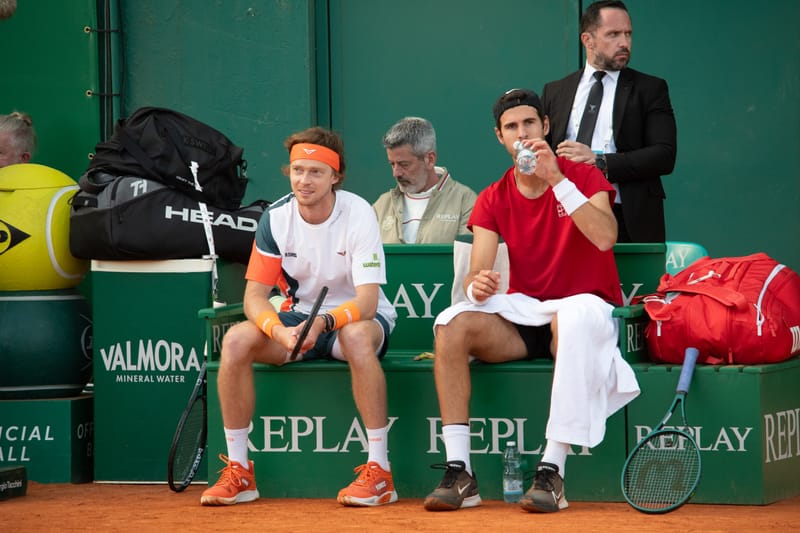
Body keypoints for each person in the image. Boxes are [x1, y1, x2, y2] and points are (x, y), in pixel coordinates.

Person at [422, 88, 640, 513]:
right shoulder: (492, 197)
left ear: (544, 127)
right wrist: (477, 285)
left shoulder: (583, 177)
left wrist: (557, 178)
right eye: (511, 127)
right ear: (499, 137)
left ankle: (551, 473)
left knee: (574, 319)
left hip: (585, 305)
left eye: (528, 124)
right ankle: (460, 471)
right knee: (451, 323)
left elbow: (605, 237)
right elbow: (476, 272)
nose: (521, 134)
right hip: (525, 314)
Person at [201, 126, 399, 507]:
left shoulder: (358, 213)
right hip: (297, 321)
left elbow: (368, 302)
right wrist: (278, 331)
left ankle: (380, 473)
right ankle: (240, 472)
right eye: (297, 170)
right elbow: (254, 298)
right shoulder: (275, 219)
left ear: (335, 176)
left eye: (315, 172)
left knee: (357, 337)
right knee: (236, 340)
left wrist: (324, 323)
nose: (304, 181)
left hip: (353, 323)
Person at [541, 0, 677, 243]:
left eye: (628, 34)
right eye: (613, 34)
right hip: (564, 213)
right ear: (587, 40)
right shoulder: (555, 91)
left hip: (627, 217)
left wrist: (600, 161)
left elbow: (664, 155)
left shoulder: (650, 88)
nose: (624, 43)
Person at [373, 117, 477, 243]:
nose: (396, 173)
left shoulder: (465, 202)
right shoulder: (381, 206)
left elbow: (467, 259)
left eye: (404, 164)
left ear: (430, 159)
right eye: (392, 164)